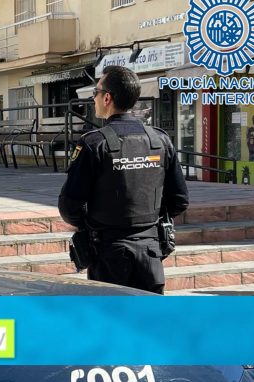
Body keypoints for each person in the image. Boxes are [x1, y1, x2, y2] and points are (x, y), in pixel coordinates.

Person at [58, 65, 189, 294]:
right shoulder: (159, 140)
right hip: (150, 255)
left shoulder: (93, 143)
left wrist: (91, 225)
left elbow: (69, 205)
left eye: (95, 94)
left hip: (108, 255)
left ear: (107, 98)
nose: (94, 99)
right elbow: (179, 200)